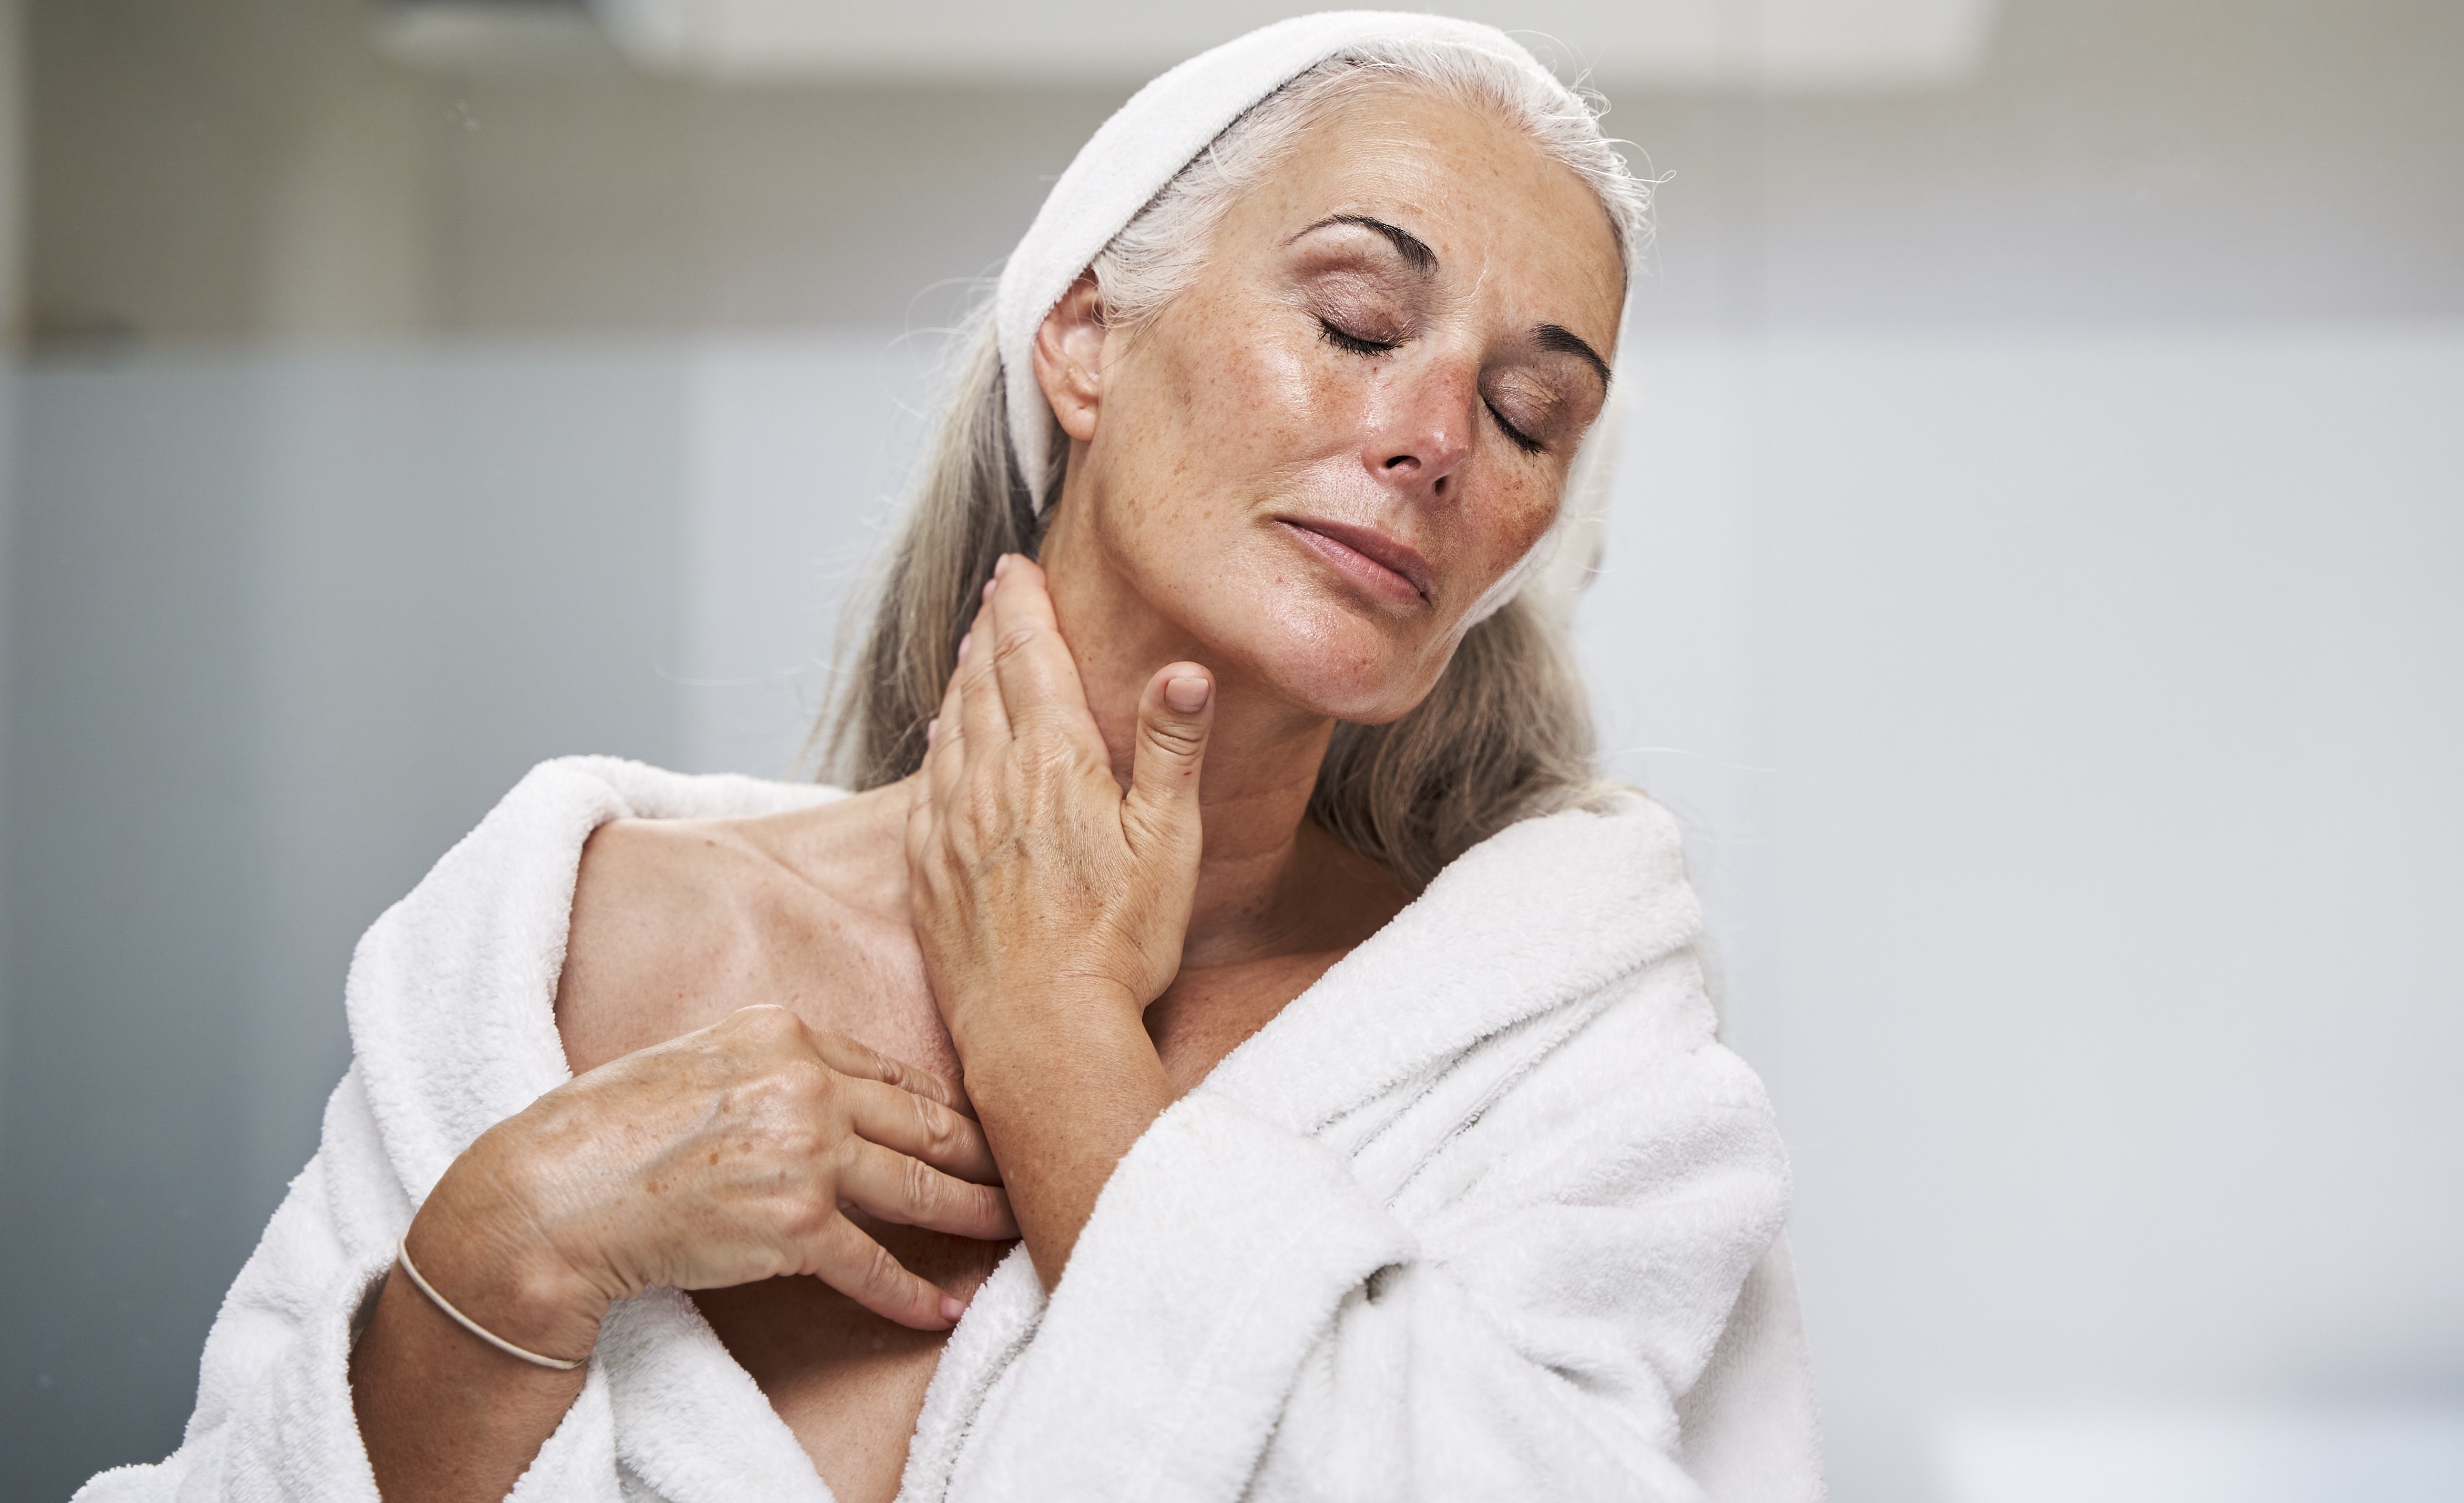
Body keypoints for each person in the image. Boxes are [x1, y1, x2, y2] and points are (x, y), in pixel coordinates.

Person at [78, 13, 1821, 1503]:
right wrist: (502, 1250)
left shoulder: (1555, 1063)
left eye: (1531, 417)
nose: (1438, 437)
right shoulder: (573, 937)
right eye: (1359, 321)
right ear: (1083, 337)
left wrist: (1058, 1050)